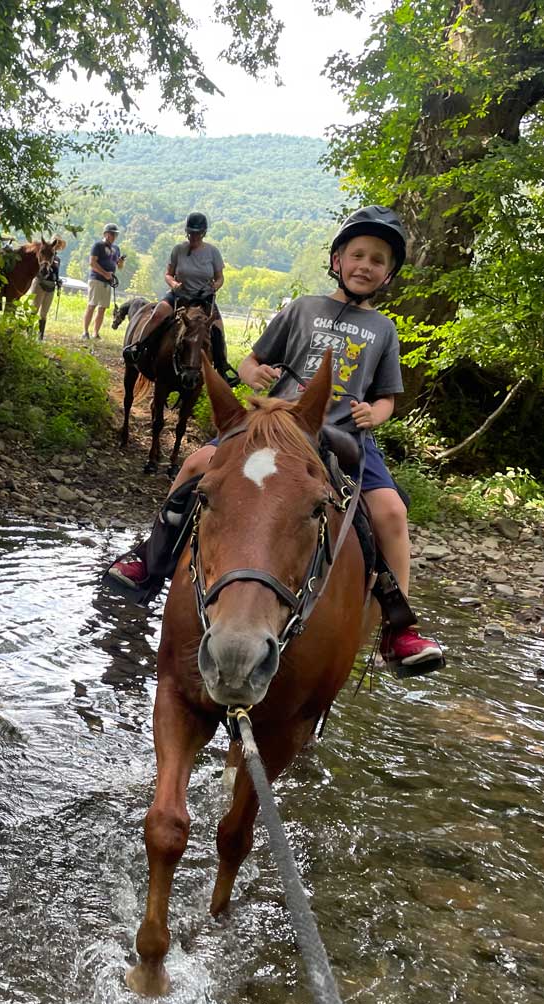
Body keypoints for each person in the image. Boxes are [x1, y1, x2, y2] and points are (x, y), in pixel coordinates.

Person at [106, 205, 444, 676]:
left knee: (390, 511)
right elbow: (250, 363)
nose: (366, 266)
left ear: (389, 274)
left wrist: (376, 413)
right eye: (359, 255)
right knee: (198, 464)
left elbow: (387, 397)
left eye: (378, 260)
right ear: (337, 261)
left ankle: (398, 627)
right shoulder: (302, 308)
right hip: (280, 426)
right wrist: (255, 373)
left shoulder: (383, 329)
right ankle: (151, 558)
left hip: (347, 435)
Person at [124, 211, 234, 382]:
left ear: (203, 233)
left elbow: (220, 277)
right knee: (158, 314)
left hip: (204, 298)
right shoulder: (178, 250)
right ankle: (138, 347)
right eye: (191, 233)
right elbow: (168, 274)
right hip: (180, 295)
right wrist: (174, 284)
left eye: (197, 233)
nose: (193, 236)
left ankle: (222, 368)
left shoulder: (213, 252)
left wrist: (216, 285)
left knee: (218, 329)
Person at [82, 223, 125, 340]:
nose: (113, 236)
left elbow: (119, 266)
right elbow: (92, 263)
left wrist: (120, 262)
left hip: (108, 281)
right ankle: (85, 332)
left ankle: (95, 333)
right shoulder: (98, 245)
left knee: (102, 308)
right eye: (111, 234)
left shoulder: (116, 249)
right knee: (92, 305)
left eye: (115, 234)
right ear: (105, 234)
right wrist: (105, 274)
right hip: (96, 279)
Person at [29, 239, 64, 340]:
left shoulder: (57, 259)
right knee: (34, 308)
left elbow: (56, 273)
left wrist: (58, 280)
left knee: (44, 313)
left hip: (51, 285)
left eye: (59, 245)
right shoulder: (43, 255)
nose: (57, 246)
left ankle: (40, 337)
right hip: (40, 283)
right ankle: (29, 334)